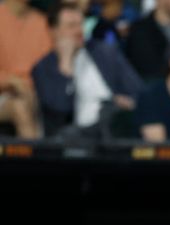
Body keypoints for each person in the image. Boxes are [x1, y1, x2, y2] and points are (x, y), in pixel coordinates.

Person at [32, 3, 142, 138]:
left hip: (113, 127)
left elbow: (138, 91)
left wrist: (127, 102)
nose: (79, 31)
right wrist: (66, 64)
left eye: (80, 24)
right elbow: (59, 111)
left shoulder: (105, 52)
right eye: (71, 26)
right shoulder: (43, 68)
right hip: (72, 137)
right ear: (53, 31)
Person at [0, 0, 52, 138]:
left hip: (33, 93)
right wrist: (12, 81)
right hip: (4, 94)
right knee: (20, 108)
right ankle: (36, 158)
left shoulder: (41, 22)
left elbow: (48, 67)